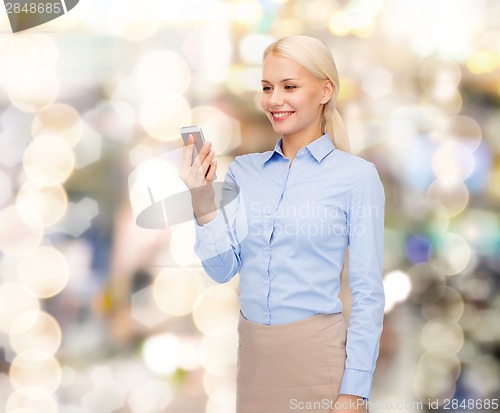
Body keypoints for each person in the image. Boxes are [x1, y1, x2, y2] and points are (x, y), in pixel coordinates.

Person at [179, 35, 385, 413]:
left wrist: (355, 389)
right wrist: (201, 196)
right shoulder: (245, 171)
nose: (275, 100)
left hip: (319, 362)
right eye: (267, 87)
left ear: (325, 90)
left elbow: (368, 292)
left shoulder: (357, 177)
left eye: (290, 87)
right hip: (255, 362)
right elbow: (222, 269)